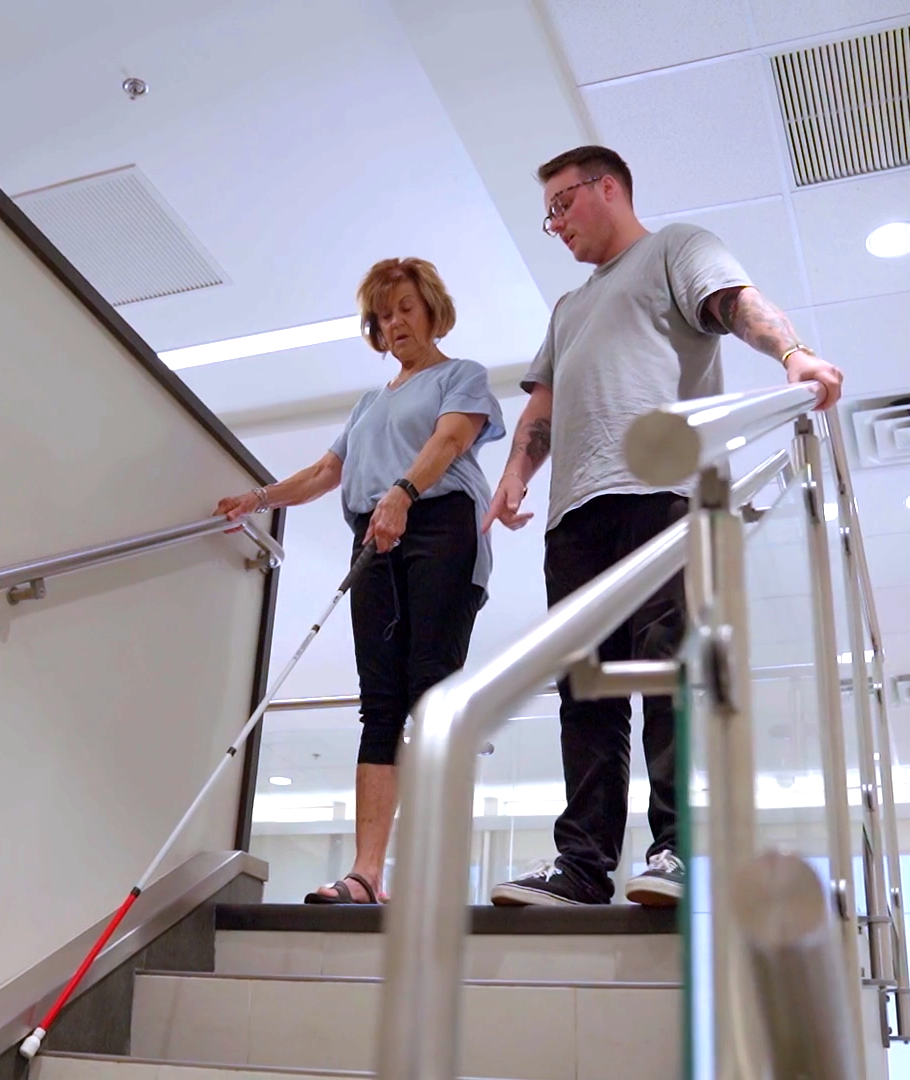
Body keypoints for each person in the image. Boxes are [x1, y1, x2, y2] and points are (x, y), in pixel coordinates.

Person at [482, 145, 844, 909]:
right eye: (546, 213)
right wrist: (518, 472)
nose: (553, 226)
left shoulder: (676, 248)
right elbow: (544, 402)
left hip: (662, 495)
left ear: (606, 188)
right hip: (574, 517)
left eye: (560, 206)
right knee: (586, 692)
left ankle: (680, 848)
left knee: (667, 671)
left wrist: (794, 353)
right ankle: (582, 865)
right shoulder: (568, 307)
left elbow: (735, 303)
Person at [216, 257, 504, 904]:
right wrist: (258, 499)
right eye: (383, 313)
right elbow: (325, 472)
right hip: (376, 532)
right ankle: (366, 874)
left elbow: (450, 441)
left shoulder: (461, 377)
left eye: (405, 306)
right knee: (380, 703)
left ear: (431, 308)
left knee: (430, 695)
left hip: (438, 524)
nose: (393, 321)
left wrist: (403, 491)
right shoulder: (369, 403)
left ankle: (432, 869)